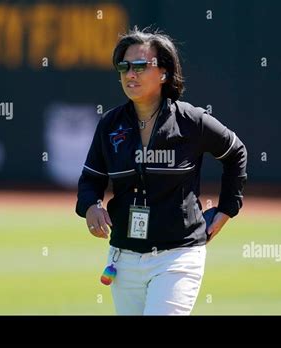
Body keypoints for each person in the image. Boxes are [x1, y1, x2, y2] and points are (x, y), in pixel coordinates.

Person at [76, 26, 247, 315]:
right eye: (124, 66)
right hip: (123, 256)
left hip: (178, 256)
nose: (131, 74)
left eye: (141, 66)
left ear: (164, 73)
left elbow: (236, 153)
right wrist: (90, 206)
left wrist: (228, 208)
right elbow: (91, 179)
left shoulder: (192, 121)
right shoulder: (110, 124)